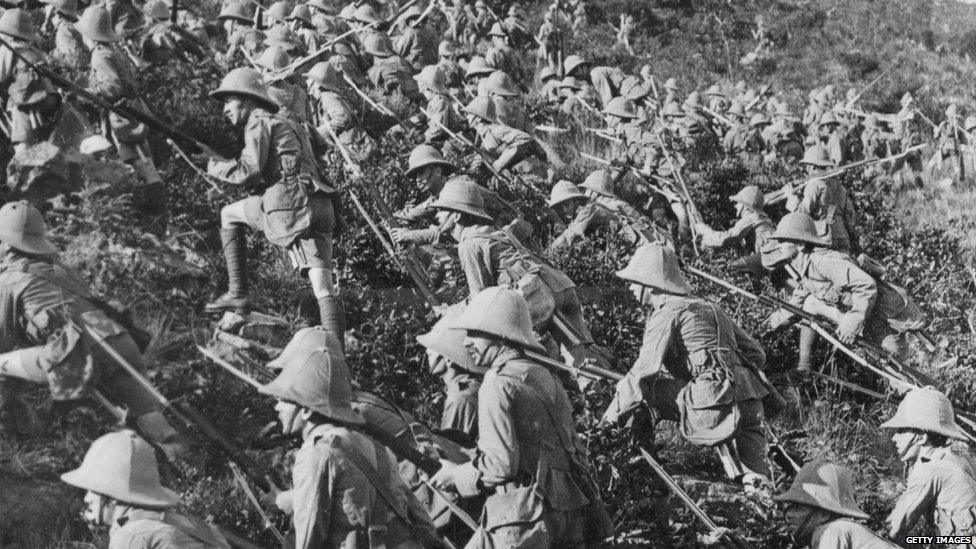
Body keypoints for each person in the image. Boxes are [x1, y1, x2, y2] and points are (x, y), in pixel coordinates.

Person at [0, 202, 185, 458]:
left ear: (7, 246)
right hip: (118, 339)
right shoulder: (62, 270)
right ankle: (184, 462)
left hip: (76, 355)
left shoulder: (9, 280)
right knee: (150, 414)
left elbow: (4, 339)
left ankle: (12, 444)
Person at [430, 287, 611, 548]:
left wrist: (456, 476)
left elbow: (501, 465)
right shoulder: (545, 375)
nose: (467, 342)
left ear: (499, 334)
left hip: (525, 520)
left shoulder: (497, 383)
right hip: (571, 513)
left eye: (475, 333)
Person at [602, 243, 772, 492]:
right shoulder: (711, 307)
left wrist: (607, 421)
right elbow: (757, 354)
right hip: (751, 399)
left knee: (645, 393)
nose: (630, 286)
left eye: (633, 280)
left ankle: (641, 472)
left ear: (649, 283)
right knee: (760, 485)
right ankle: (765, 511)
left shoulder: (666, 313)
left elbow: (642, 373)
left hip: (713, 403)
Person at [257, 328, 440, 548]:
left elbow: (308, 541)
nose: (277, 406)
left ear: (306, 409)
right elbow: (420, 517)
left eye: (285, 399)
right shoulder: (371, 443)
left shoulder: (316, 452)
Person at [200, 68, 344, 344]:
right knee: (323, 286)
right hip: (321, 201)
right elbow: (318, 149)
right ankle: (339, 360)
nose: (225, 110)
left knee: (228, 214)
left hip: (292, 205)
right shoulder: (293, 122)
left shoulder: (259, 121)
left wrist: (211, 164)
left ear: (248, 100)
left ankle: (238, 294)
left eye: (229, 101)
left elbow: (249, 171)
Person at [429, 178, 601, 368]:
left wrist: (452, 312)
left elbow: (481, 300)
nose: (437, 214)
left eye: (443, 209)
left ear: (457, 216)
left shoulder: (469, 244)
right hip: (558, 286)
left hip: (536, 299)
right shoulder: (492, 230)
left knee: (536, 359)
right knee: (579, 359)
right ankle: (597, 388)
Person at [763, 213, 908, 372]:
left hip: (883, 325)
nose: (779, 245)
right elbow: (793, 307)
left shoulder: (824, 262)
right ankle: (804, 369)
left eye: (784, 240)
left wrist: (851, 322)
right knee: (810, 302)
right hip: (866, 325)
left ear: (800, 245)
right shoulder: (806, 272)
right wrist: (763, 329)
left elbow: (866, 284)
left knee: (901, 382)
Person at [61, 430, 232, 548]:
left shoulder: (131, 535)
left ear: (112, 495)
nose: (86, 498)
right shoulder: (171, 519)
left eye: (93, 489)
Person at [78, 5, 165, 221]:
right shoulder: (112, 50)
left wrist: (84, 93)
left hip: (123, 114)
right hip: (129, 111)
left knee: (142, 164)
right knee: (140, 163)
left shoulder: (100, 55)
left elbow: (112, 87)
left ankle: (159, 218)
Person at [881, 386, 976, 542]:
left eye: (901, 431)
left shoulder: (930, 468)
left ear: (922, 437)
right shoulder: (960, 452)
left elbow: (894, 528)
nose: (894, 438)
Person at [774, 459, 897, 549]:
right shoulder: (844, 529)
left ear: (824, 514)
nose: (789, 514)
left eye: (798, 507)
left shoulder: (830, 531)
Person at [547, 179, 673, 253]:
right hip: (625, 246)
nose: (563, 210)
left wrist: (549, 252)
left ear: (576, 201)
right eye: (559, 208)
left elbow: (571, 233)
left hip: (637, 245)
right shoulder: (583, 211)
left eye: (566, 205)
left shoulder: (588, 209)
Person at [416, 303, 484, 441]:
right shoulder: (469, 386)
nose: (428, 351)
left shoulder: (460, 397)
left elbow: (452, 451)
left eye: (436, 348)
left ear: (449, 357)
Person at [0, 9, 61, 152]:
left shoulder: (9, 50)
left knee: (23, 148)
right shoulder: (35, 51)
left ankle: (21, 158)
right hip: (50, 99)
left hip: (29, 101)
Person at [785, 144, 858, 254]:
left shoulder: (814, 185)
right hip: (842, 236)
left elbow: (802, 212)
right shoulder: (840, 187)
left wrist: (790, 197)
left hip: (822, 237)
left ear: (812, 166)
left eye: (807, 166)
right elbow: (851, 215)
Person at [695, 185, 775, 277]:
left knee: (731, 268)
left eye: (739, 203)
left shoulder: (751, 217)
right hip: (772, 256)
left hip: (767, 256)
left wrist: (706, 231)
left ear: (745, 206)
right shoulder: (762, 217)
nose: (736, 205)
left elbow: (727, 238)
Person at [305, 61, 375, 161]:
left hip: (354, 148)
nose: (307, 82)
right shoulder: (322, 99)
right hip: (352, 147)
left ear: (316, 84)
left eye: (309, 79)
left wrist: (320, 132)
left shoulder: (328, 98)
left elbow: (343, 117)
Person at [414, 65, 461, 149]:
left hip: (449, 141)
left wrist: (423, 136)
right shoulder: (433, 100)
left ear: (425, 86)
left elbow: (438, 129)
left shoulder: (439, 101)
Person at [46, 0, 89, 68]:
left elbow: (77, 60)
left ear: (58, 15)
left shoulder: (64, 30)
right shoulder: (74, 26)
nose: (50, 19)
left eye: (52, 15)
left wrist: (55, 56)